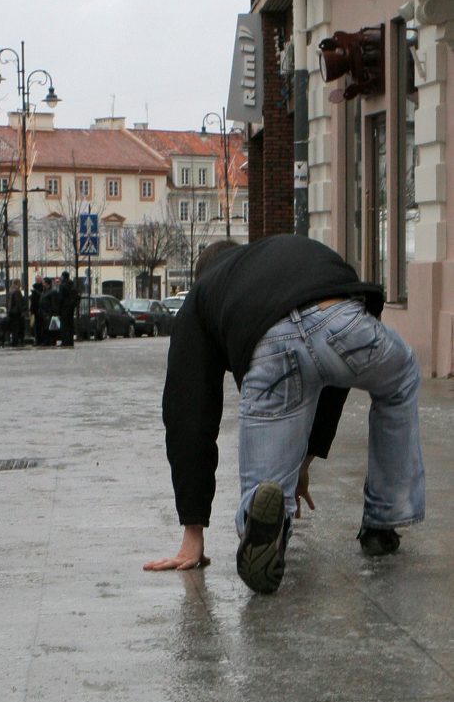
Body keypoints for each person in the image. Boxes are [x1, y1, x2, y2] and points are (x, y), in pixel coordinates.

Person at [144, 234, 425, 594]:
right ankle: (383, 522)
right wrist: (306, 458)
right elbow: (334, 378)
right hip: (339, 317)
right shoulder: (289, 249)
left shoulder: (205, 293)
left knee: (266, 489)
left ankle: (262, 528)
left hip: (270, 350)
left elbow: (189, 414)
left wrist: (192, 530)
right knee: (399, 378)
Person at [57, 270, 79, 347]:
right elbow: (77, 296)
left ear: (63, 277)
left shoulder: (62, 285)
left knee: (64, 326)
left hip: (64, 308)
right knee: (70, 325)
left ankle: (65, 341)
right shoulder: (72, 285)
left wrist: (58, 309)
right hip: (71, 308)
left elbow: (60, 298)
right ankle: (70, 341)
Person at [39, 276, 60, 343]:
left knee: (50, 329)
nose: (43, 284)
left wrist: (53, 313)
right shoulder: (44, 292)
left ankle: (51, 341)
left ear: (47, 283)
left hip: (49, 314)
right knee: (45, 329)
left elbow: (54, 304)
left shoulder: (52, 292)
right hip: (43, 314)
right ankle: (46, 341)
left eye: (44, 283)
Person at [7, 278, 27, 347]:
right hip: (16, 313)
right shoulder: (17, 291)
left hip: (11, 312)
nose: (20, 284)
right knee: (17, 328)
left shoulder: (11, 290)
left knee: (13, 329)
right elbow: (19, 303)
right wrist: (22, 311)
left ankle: (14, 341)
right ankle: (16, 342)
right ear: (17, 283)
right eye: (20, 283)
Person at [30, 278, 45, 345]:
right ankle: (40, 340)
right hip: (39, 310)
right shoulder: (41, 289)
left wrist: (32, 310)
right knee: (39, 326)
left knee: (38, 326)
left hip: (38, 311)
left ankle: (38, 340)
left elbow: (33, 301)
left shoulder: (36, 290)